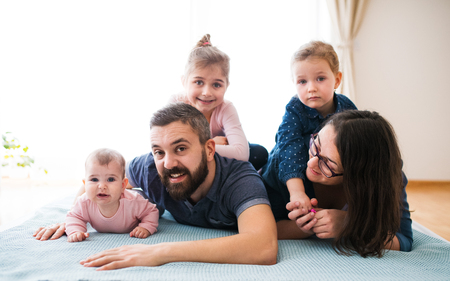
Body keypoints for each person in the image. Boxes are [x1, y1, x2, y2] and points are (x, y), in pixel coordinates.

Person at [34, 103, 277, 269]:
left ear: (209, 149)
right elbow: (103, 176)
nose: (168, 163)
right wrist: (78, 211)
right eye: (159, 151)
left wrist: (159, 252)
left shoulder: (239, 179)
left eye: (180, 148)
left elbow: (263, 246)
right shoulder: (150, 168)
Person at [269, 110, 413, 257]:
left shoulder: (386, 179)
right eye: (316, 145)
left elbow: (403, 240)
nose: (311, 163)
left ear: (358, 176)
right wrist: (308, 226)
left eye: (328, 164)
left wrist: (350, 225)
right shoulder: (287, 165)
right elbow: (264, 228)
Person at [260, 40, 357, 220]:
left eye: (320, 79)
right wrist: (297, 192)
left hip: (322, 175)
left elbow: (356, 144)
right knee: (275, 213)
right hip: (283, 176)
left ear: (337, 79)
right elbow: (289, 150)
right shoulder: (295, 109)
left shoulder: (347, 107)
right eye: (302, 81)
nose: (311, 88)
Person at [171, 34, 268, 170]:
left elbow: (242, 153)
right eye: (199, 82)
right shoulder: (177, 103)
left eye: (216, 85)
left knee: (259, 154)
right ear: (184, 82)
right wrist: (208, 145)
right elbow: (170, 145)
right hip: (209, 151)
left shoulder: (225, 108)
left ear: (226, 86)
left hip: (218, 154)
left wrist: (202, 149)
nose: (207, 93)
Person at [65, 148, 159, 242]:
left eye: (110, 179)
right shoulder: (84, 202)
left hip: (145, 196)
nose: (102, 186)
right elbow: (74, 217)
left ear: (123, 185)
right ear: (85, 184)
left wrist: (146, 227)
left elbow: (151, 211)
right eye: (94, 179)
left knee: (158, 204)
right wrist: (75, 231)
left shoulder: (134, 201)